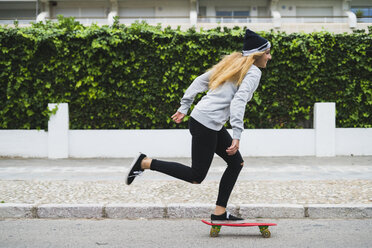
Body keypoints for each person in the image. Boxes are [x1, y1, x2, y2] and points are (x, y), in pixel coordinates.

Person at [126, 29, 272, 223]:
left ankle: (219, 212)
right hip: (206, 123)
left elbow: (199, 81)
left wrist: (185, 106)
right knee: (196, 176)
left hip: (206, 120)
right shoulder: (253, 72)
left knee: (236, 163)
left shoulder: (234, 64)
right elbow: (239, 101)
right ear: (258, 54)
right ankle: (145, 163)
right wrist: (237, 134)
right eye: (268, 53)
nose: (270, 57)